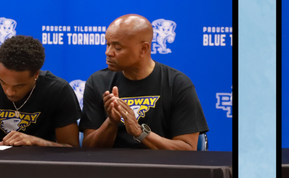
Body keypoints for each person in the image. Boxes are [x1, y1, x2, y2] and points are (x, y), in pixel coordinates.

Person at [80, 14, 208, 150]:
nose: (108, 52)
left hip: (162, 169)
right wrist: (111, 122)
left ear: (143, 49)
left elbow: (188, 149)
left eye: (117, 48)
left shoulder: (177, 84)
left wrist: (140, 133)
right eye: (107, 44)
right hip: (111, 169)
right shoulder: (97, 82)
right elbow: (89, 149)